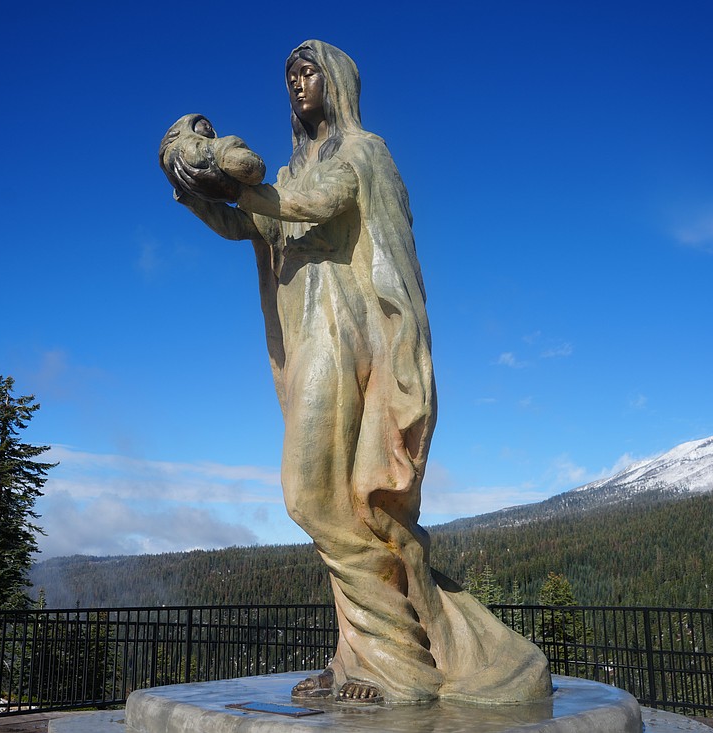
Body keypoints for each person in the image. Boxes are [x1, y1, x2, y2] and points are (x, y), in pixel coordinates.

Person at [162, 39, 550, 705]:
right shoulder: (287, 171)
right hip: (312, 336)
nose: (296, 83)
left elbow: (314, 201)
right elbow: (246, 225)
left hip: (348, 338)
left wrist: (238, 181)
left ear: (336, 80)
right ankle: (357, 660)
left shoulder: (361, 153)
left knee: (309, 495)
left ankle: (395, 663)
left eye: (308, 70)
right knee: (343, 505)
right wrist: (188, 185)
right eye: (289, 74)